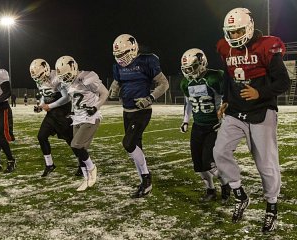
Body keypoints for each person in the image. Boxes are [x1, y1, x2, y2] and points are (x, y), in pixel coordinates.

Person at [213, 8, 290, 232]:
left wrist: (260, 92)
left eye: (238, 31)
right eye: (230, 32)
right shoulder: (225, 48)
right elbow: (229, 75)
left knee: (265, 164)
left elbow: (283, 82)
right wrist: (226, 100)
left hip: (261, 111)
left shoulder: (266, 46)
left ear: (247, 27)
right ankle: (240, 194)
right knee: (219, 152)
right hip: (236, 111)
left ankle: (272, 207)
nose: (234, 37)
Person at [109, 34, 169, 198]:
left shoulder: (147, 61)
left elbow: (164, 84)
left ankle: (147, 178)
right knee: (136, 148)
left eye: (122, 54)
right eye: (118, 56)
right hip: (126, 111)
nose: (120, 58)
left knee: (128, 144)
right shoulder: (118, 66)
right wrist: (114, 88)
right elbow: (118, 80)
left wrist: (150, 98)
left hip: (141, 111)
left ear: (133, 49)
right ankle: (145, 182)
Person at [179, 48, 231, 204]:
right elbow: (188, 102)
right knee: (199, 165)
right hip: (198, 126)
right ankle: (210, 190)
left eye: (191, 67)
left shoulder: (215, 77)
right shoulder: (185, 82)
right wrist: (186, 120)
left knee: (210, 162)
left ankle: (226, 185)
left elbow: (227, 98)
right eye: (186, 69)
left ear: (201, 63)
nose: (189, 71)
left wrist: (225, 120)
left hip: (214, 125)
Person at [55, 55, 109, 191]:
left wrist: (95, 107)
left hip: (90, 118)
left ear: (74, 68)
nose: (66, 79)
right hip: (78, 118)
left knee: (76, 145)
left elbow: (104, 93)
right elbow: (75, 99)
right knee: (78, 150)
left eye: (67, 75)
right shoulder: (69, 82)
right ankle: (86, 178)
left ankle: (92, 168)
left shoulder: (87, 77)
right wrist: (72, 112)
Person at [29, 58, 83, 177]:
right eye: (36, 77)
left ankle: (82, 164)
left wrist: (50, 105)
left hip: (63, 113)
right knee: (41, 136)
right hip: (51, 114)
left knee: (71, 141)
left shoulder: (57, 77)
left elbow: (66, 98)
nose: (39, 79)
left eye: (40, 75)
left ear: (47, 69)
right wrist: (40, 105)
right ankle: (49, 165)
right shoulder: (39, 79)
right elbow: (44, 95)